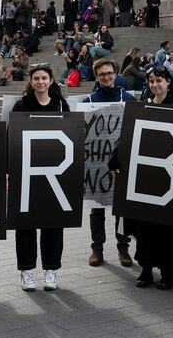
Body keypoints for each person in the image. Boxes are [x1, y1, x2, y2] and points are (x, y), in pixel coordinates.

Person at [112, 66, 173, 289]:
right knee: (144, 227)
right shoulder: (141, 108)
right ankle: (145, 269)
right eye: (151, 81)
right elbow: (126, 136)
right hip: (144, 175)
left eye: (159, 80)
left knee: (166, 229)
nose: (155, 85)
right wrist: (115, 157)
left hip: (167, 176)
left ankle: (168, 273)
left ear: (168, 82)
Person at [11, 66, 70, 291]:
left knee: (53, 223)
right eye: (36, 78)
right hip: (27, 171)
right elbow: (13, 137)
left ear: (51, 80)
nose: (41, 82)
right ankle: (26, 271)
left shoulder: (61, 104)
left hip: (55, 170)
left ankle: (51, 270)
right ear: (31, 81)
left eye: (44, 78)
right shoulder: (21, 105)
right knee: (25, 223)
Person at [81, 59, 135, 267]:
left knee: (122, 208)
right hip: (95, 162)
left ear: (116, 73)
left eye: (109, 73)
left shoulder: (127, 98)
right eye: (102, 74)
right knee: (97, 209)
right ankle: (97, 248)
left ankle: (123, 248)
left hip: (120, 161)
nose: (106, 77)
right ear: (97, 76)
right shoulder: (89, 100)